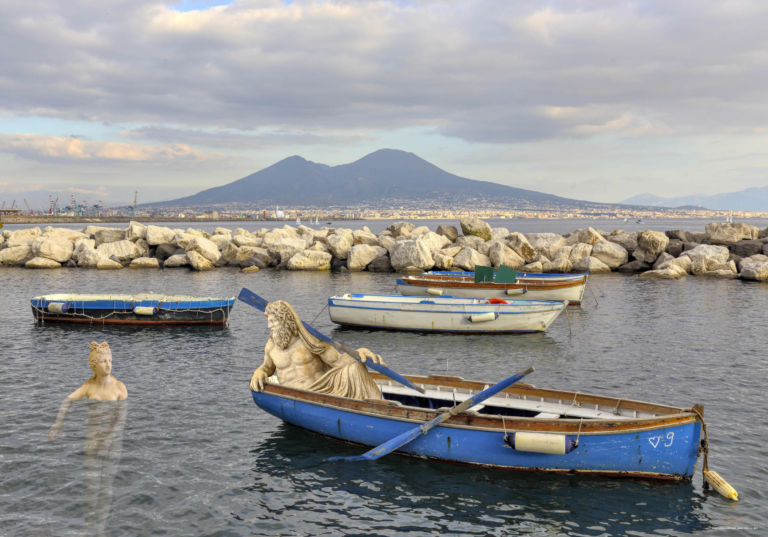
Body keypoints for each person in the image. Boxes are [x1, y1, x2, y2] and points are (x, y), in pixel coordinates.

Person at [250, 300, 384, 399]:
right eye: (268, 321)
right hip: (292, 394)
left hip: (322, 390)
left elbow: (337, 361)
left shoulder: (310, 340)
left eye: (273, 321)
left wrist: (359, 353)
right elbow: (267, 368)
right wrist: (258, 373)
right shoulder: (271, 346)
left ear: (284, 320)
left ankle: (377, 407)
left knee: (356, 368)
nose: (269, 326)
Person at [48, 341, 128, 440]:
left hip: (111, 437)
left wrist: (110, 434)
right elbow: (67, 401)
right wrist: (57, 424)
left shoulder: (119, 387)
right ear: (94, 365)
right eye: (103, 361)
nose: (108, 365)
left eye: (110, 361)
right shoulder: (89, 386)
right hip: (93, 433)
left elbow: (121, 417)